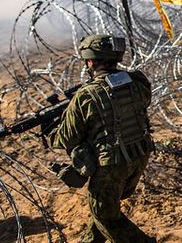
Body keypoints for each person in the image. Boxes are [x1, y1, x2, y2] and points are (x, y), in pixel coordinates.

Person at [49, 34, 155, 243]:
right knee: (104, 208)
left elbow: (68, 139)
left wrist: (52, 129)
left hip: (112, 165)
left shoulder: (86, 94)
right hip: (139, 156)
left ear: (90, 61)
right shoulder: (137, 81)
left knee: (106, 217)